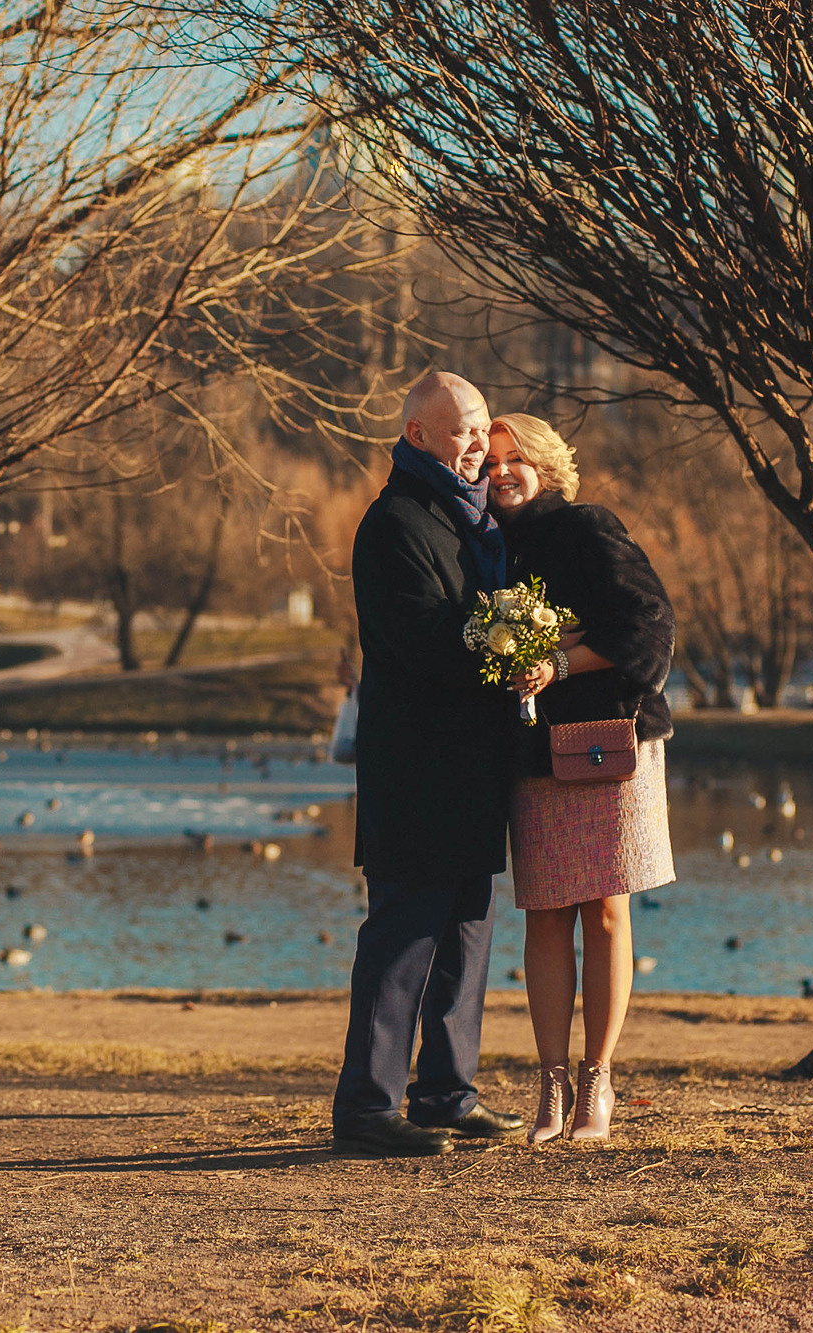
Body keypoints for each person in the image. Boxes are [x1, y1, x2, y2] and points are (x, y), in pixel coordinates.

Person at [332, 371, 524, 1158]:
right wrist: (508, 648)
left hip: (474, 766)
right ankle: (367, 1109)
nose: (478, 444)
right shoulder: (395, 523)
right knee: (403, 939)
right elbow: (419, 641)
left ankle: (447, 1093)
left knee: (466, 938)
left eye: (480, 428)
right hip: (414, 771)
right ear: (418, 436)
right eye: (462, 432)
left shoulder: (474, 521)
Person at [483, 413, 676, 1143]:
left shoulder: (589, 526)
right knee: (544, 912)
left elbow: (650, 623)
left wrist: (559, 662)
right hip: (534, 752)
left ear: (546, 465)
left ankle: (598, 1081)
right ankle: (551, 1086)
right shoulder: (488, 545)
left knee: (604, 910)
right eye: (491, 460)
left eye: (516, 458)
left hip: (607, 744)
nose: (501, 471)